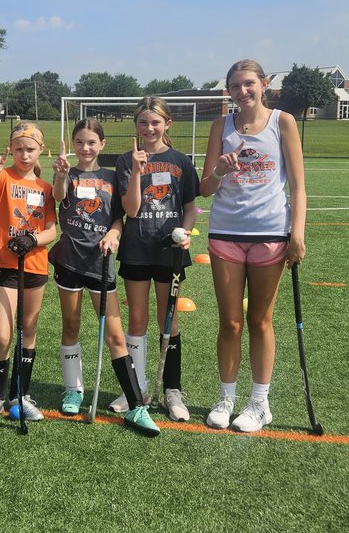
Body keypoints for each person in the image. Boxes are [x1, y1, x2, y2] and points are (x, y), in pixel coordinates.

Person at [200, 60, 306, 432]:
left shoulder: (283, 122)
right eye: (235, 86)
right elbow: (206, 188)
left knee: (259, 321)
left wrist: (297, 233)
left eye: (248, 84)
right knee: (230, 323)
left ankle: (260, 403)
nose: (242, 92)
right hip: (225, 233)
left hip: (270, 234)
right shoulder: (221, 126)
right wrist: (220, 170)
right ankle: (226, 398)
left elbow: (298, 186)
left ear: (263, 84)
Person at [49, 119, 159, 436]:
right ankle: (73, 390)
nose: (85, 148)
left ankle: (136, 405)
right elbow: (57, 195)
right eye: (79, 142)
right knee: (71, 325)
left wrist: (113, 233)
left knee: (115, 336)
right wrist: (60, 174)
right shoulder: (67, 174)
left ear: (102, 144)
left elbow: (119, 217)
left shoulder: (111, 177)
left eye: (91, 142)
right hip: (70, 261)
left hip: (101, 262)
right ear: (73, 143)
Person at [115, 97, 199, 422]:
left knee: (169, 321)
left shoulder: (180, 161)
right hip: (136, 249)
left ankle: (172, 391)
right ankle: (136, 388)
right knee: (136, 320)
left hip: (170, 252)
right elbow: (132, 209)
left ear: (167, 124)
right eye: (143, 122)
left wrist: (186, 232)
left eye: (155, 122)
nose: (149, 128)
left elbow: (190, 206)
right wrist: (137, 172)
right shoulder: (126, 161)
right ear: (136, 125)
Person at [0, 122, 58, 427]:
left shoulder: (45, 188)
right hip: (4, 265)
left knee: (28, 332)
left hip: (34, 265)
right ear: (10, 149)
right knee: (2, 335)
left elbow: (51, 230)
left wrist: (32, 240)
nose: (24, 155)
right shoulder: (3, 177)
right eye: (19, 149)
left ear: (41, 151)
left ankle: (19, 395)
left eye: (30, 149)